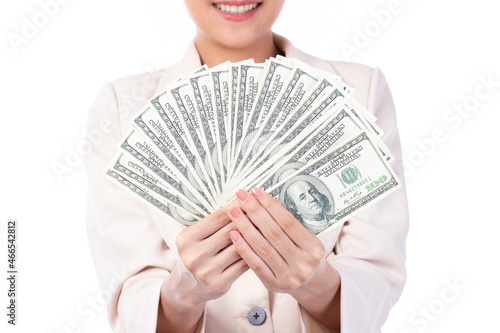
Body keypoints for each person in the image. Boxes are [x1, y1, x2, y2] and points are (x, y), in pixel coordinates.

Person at [85, 1, 409, 332]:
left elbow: (375, 284)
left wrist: (317, 283)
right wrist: (182, 294)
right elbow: (132, 300)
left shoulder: (361, 91)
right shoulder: (121, 109)